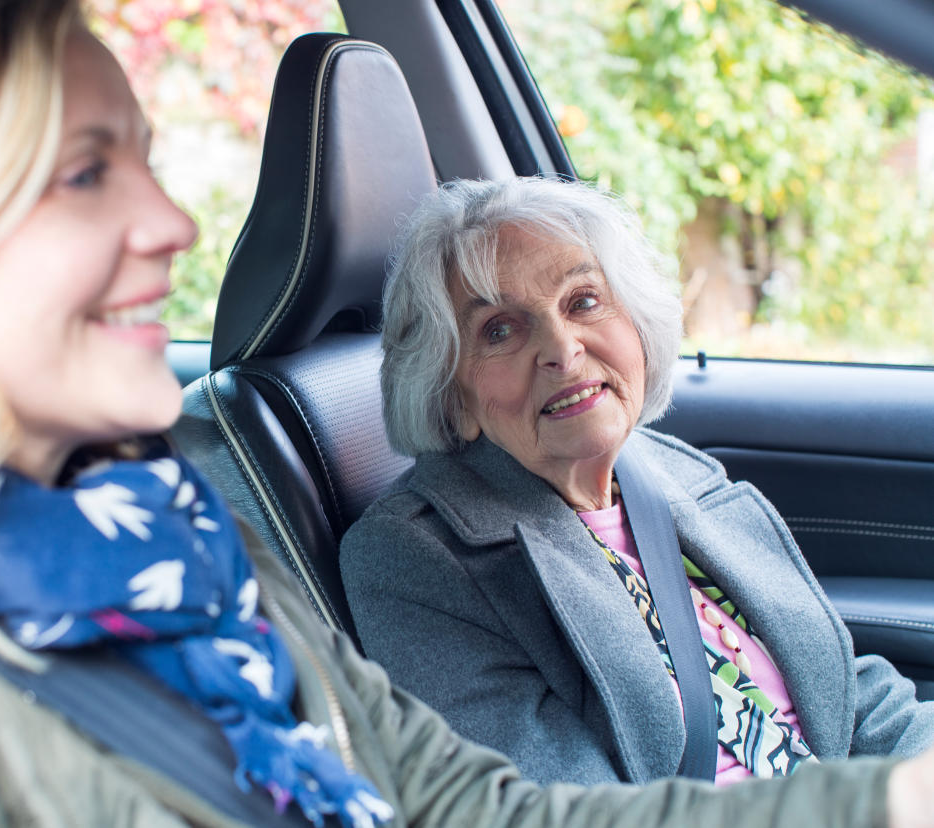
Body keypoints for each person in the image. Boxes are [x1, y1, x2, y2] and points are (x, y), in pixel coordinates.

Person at [0, 2, 931, 825]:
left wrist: (890, 799)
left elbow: (467, 809)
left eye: (145, 158)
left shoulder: (184, 541)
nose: (174, 227)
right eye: (84, 174)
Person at [340, 175, 934, 790]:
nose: (562, 351)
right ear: (451, 394)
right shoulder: (415, 559)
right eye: (500, 330)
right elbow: (562, 809)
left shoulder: (670, 470)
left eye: (583, 301)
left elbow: (847, 691)